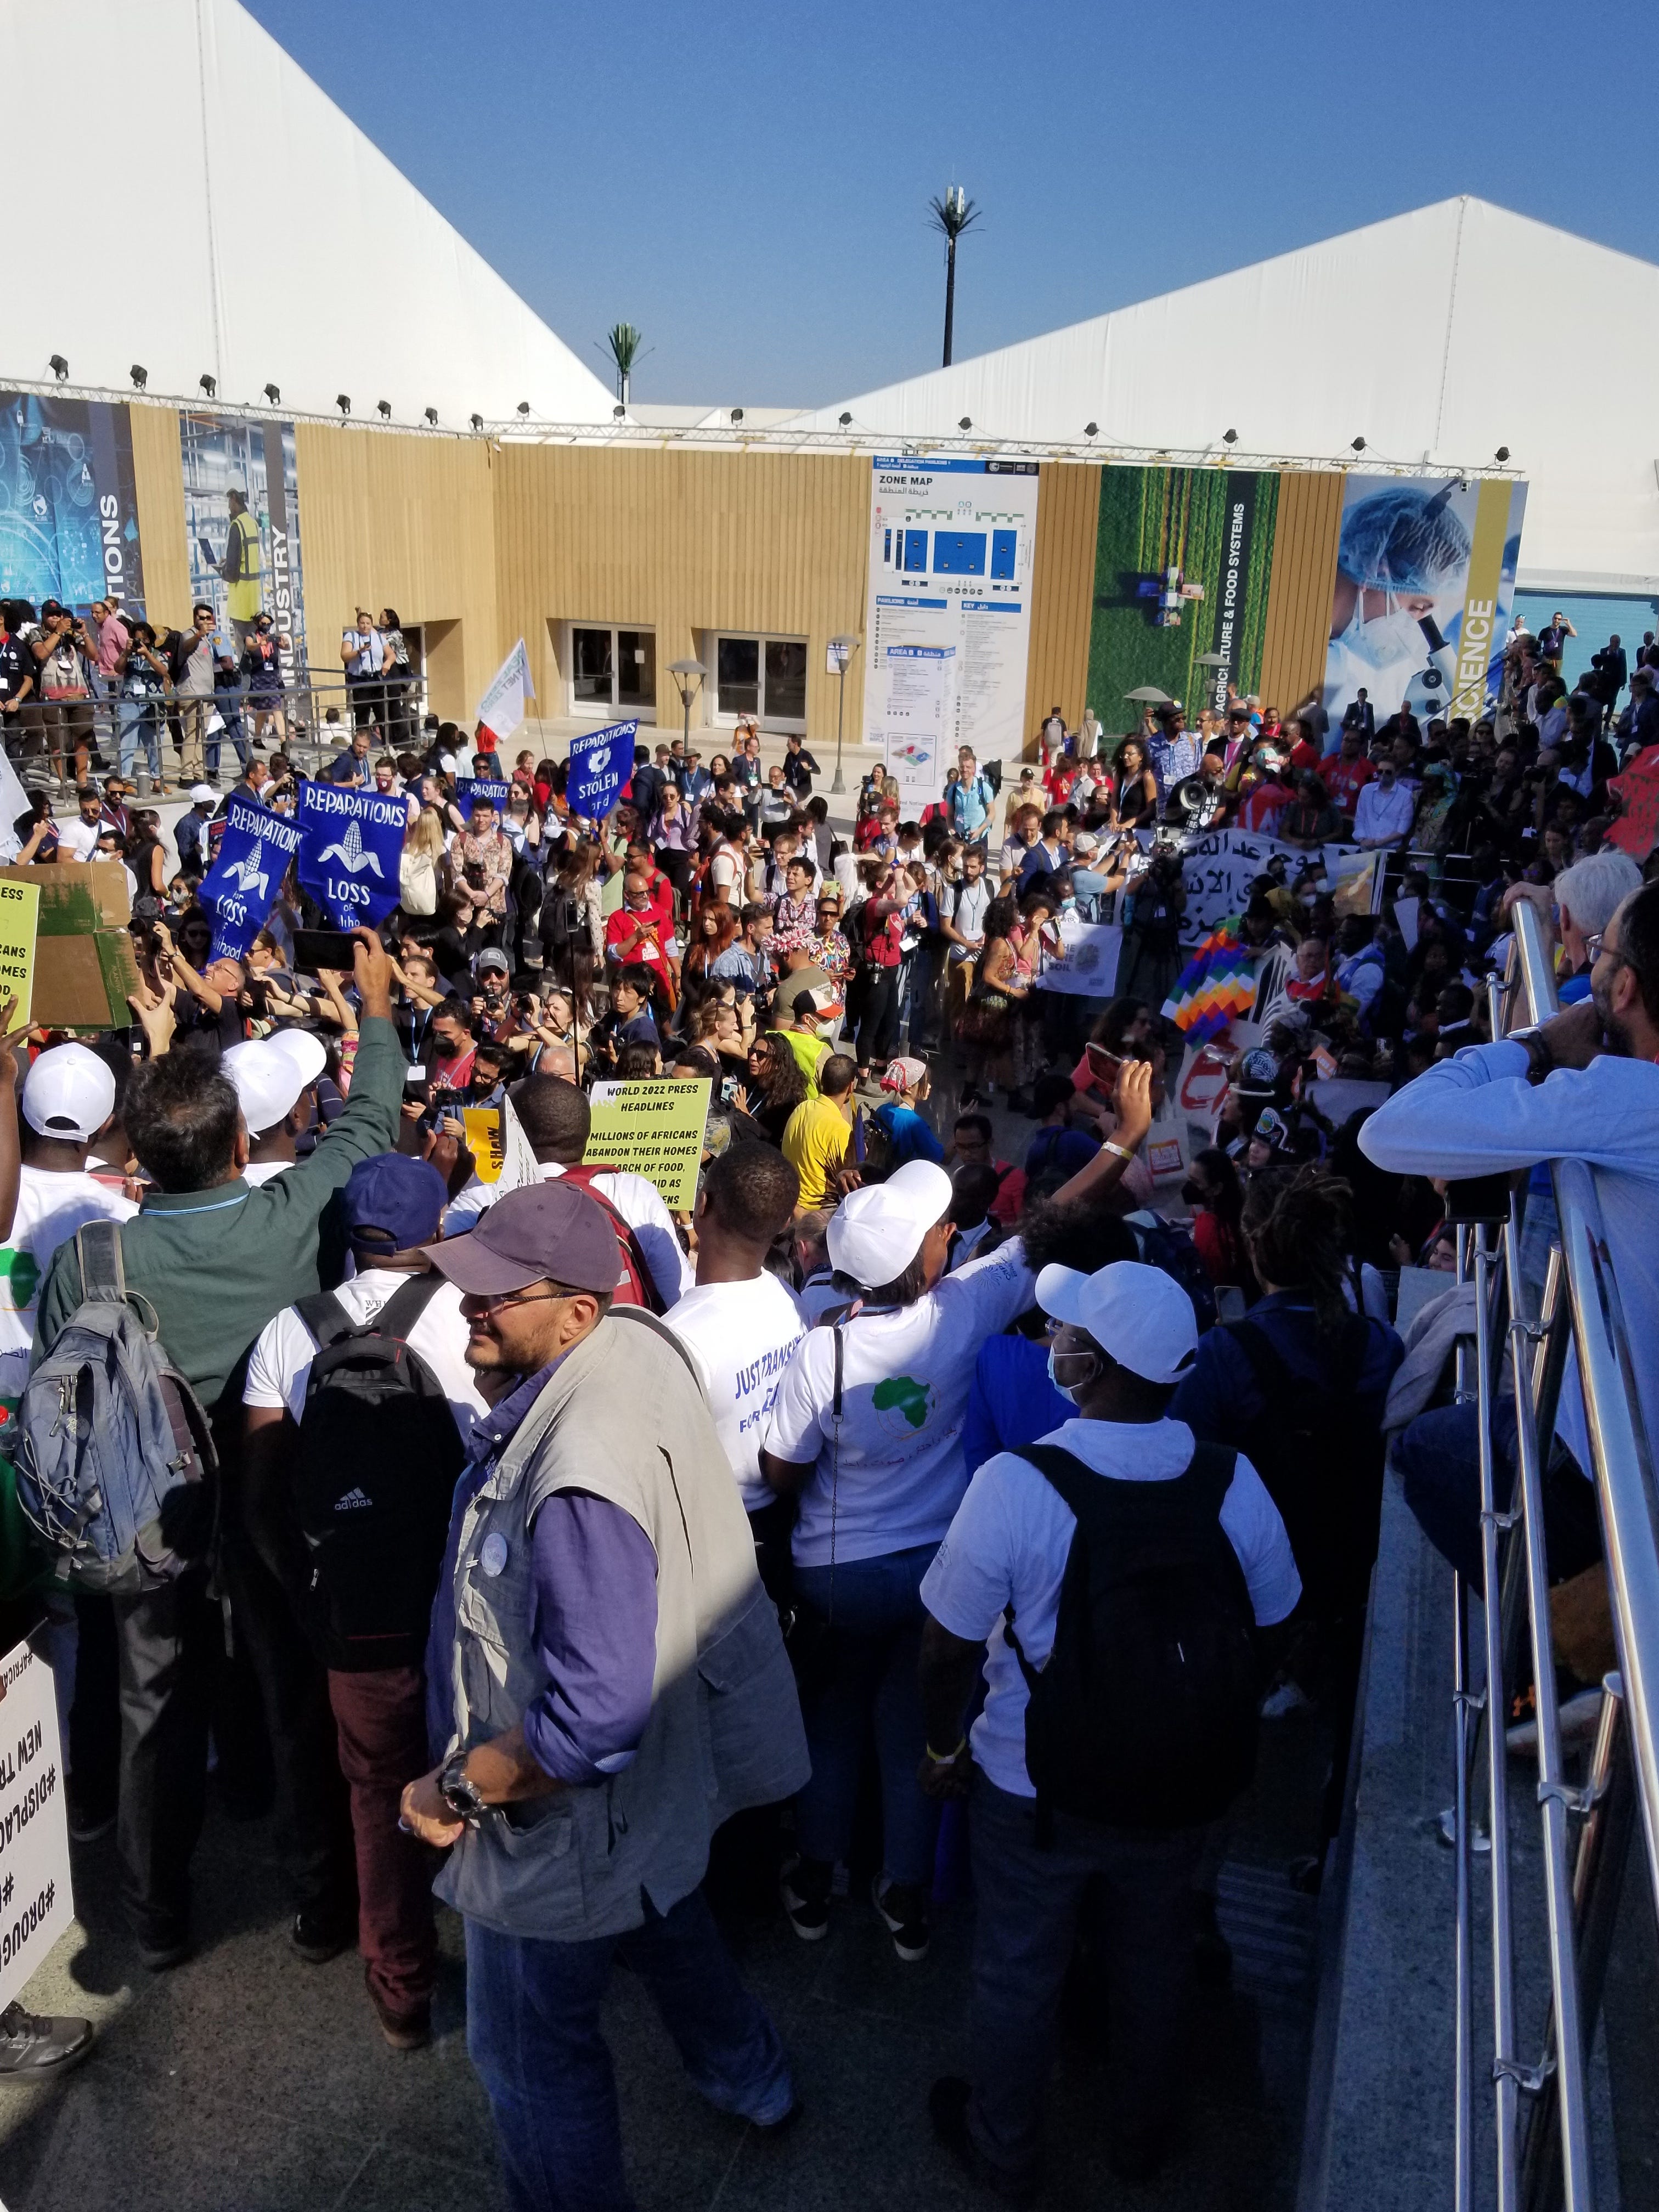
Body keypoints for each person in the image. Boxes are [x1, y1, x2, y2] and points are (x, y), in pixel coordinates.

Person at [398, 1181, 809, 2210]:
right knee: (665, 1910)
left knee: (528, 2058)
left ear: (577, 1311)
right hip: (653, 1788)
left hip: (557, 1831)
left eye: (497, 1295)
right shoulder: (635, 1343)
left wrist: (457, 1788)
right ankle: (753, 2077)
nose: (467, 1309)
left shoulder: (576, 1470)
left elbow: (591, 1720)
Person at [31, 930, 405, 1968]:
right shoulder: (289, 1217)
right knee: (289, 1689)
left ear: (136, 1157)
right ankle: (318, 1901)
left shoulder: (92, 1256)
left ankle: (155, 1920)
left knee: (153, 1708)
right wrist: (374, 1009)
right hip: (268, 1496)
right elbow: (370, 1120)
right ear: (244, 1145)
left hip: (146, 1515)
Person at [919, 1256, 1300, 2193]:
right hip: (1181, 1788)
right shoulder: (1232, 1479)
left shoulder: (1016, 1483)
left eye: (1069, 1332)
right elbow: (1279, 1622)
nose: (1055, 1340)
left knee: (1018, 1970)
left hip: (1032, 1785)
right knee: (1155, 1961)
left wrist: (942, 1745)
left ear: (1094, 1364)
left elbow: (946, 1645)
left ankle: (1004, 2150)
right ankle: (1139, 2139)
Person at [759, 1134, 1142, 1964]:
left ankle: (816, 1880)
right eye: (937, 1230)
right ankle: (904, 1892)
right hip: (938, 1571)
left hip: (839, 1579)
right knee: (913, 1728)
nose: (947, 1233)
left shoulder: (823, 1347)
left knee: (833, 1721)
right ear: (923, 1260)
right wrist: (1124, 1140)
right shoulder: (965, 1307)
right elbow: (1052, 1221)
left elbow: (781, 1471)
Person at [241, 1153, 479, 2049]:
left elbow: (263, 1491)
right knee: (499, 1773)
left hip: (362, 1622)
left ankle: (401, 1991)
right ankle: (510, 1960)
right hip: (467, 1605)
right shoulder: (475, 1313)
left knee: (380, 1798)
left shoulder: (289, 1332)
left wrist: (312, 1606)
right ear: (437, 1230)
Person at [1361, 881, 1659, 1579]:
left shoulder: (1628, 1099)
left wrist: (1536, 1047)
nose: (1590, 965)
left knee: (1423, 1449)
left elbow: (1389, 1132)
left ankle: (1542, 1625)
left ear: (1623, 990)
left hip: (1622, 1475)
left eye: (1601, 952)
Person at [665, 1142, 805, 1600]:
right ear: (782, 1225)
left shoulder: (678, 1338)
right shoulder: (789, 1300)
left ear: (702, 1205)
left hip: (713, 1542)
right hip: (783, 1523)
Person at [444, 1071, 692, 1308]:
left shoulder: (479, 1202)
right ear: (586, 1133)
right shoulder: (634, 1192)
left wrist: (447, 1184)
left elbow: (452, 1302)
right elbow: (677, 1294)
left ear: (508, 1133)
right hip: (620, 1334)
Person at [1322, 486, 1470, 727]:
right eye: (1418, 608)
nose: (1414, 626)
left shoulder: (1335, 663)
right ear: (1376, 569)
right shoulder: (1290, 628)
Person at [781, 1052, 857, 1209]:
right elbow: (842, 1183)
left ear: (822, 1080)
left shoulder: (803, 1107)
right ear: (851, 1086)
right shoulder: (840, 1128)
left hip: (788, 1199)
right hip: (814, 1210)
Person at [873, 1057, 945, 1167]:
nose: (930, 1086)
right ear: (909, 1089)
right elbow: (941, 1157)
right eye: (925, 1083)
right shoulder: (916, 1124)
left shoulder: (883, 1109)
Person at [1352, 756, 1417, 849]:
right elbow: (1360, 819)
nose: (1383, 775)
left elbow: (1403, 829)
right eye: (1380, 772)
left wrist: (1378, 843)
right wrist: (1363, 840)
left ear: (1397, 772)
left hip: (1391, 849)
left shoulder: (1406, 795)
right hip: (1366, 847)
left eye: (1388, 772)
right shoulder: (1367, 790)